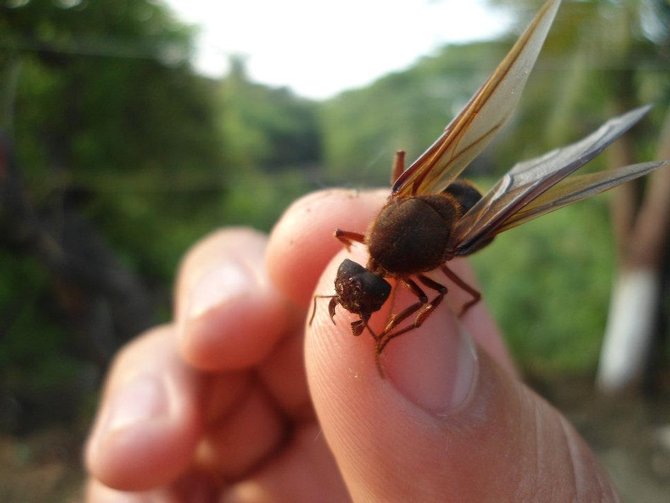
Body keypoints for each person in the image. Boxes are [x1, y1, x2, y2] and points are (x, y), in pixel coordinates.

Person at [84, 189, 618, 501]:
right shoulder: (365, 245)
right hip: (425, 210)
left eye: (359, 292)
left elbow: (441, 299)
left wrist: (387, 335)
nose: (351, 296)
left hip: (459, 216)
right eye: (354, 285)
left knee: (452, 298)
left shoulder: (405, 263)